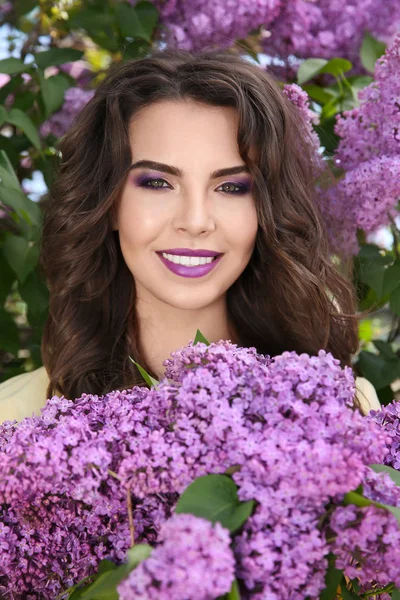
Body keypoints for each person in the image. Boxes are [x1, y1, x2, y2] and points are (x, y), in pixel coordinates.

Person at [0, 47, 381, 421]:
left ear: (267, 211)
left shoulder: (344, 408)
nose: (196, 221)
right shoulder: (14, 419)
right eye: (158, 183)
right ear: (109, 202)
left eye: (231, 187)